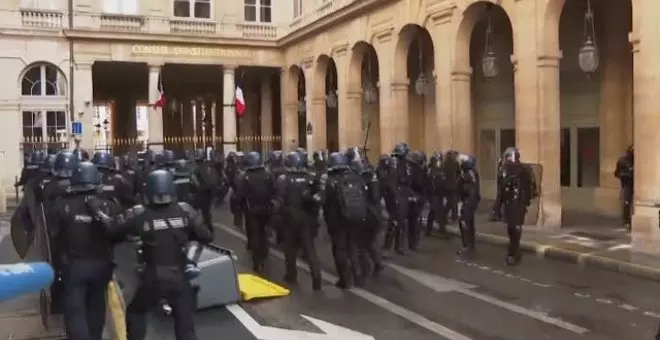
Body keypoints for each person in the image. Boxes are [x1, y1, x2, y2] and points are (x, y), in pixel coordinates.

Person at [89, 169, 213, 340]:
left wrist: (98, 212)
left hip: (153, 277)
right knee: (185, 324)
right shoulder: (185, 211)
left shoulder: (139, 213)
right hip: (179, 275)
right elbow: (206, 236)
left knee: (136, 312)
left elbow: (113, 230)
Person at [48, 161, 121, 340]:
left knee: (75, 311)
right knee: (96, 308)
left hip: (74, 265)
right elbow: (119, 234)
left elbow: (54, 236)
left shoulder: (61, 206)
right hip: (102, 265)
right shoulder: (109, 206)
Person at [273, 151, 322, 291]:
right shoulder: (310, 177)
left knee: (290, 249)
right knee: (310, 249)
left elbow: (280, 198)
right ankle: (317, 278)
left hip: (291, 219)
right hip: (307, 218)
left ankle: (291, 275)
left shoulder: (284, 179)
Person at [233, 151, 275, 273]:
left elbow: (239, 195)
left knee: (255, 234)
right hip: (267, 208)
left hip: (252, 210)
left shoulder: (245, 176)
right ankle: (265, 253)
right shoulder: (268, 174)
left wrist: (239, 209)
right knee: (264, 232)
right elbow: (274, 190)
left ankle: (258, 262)